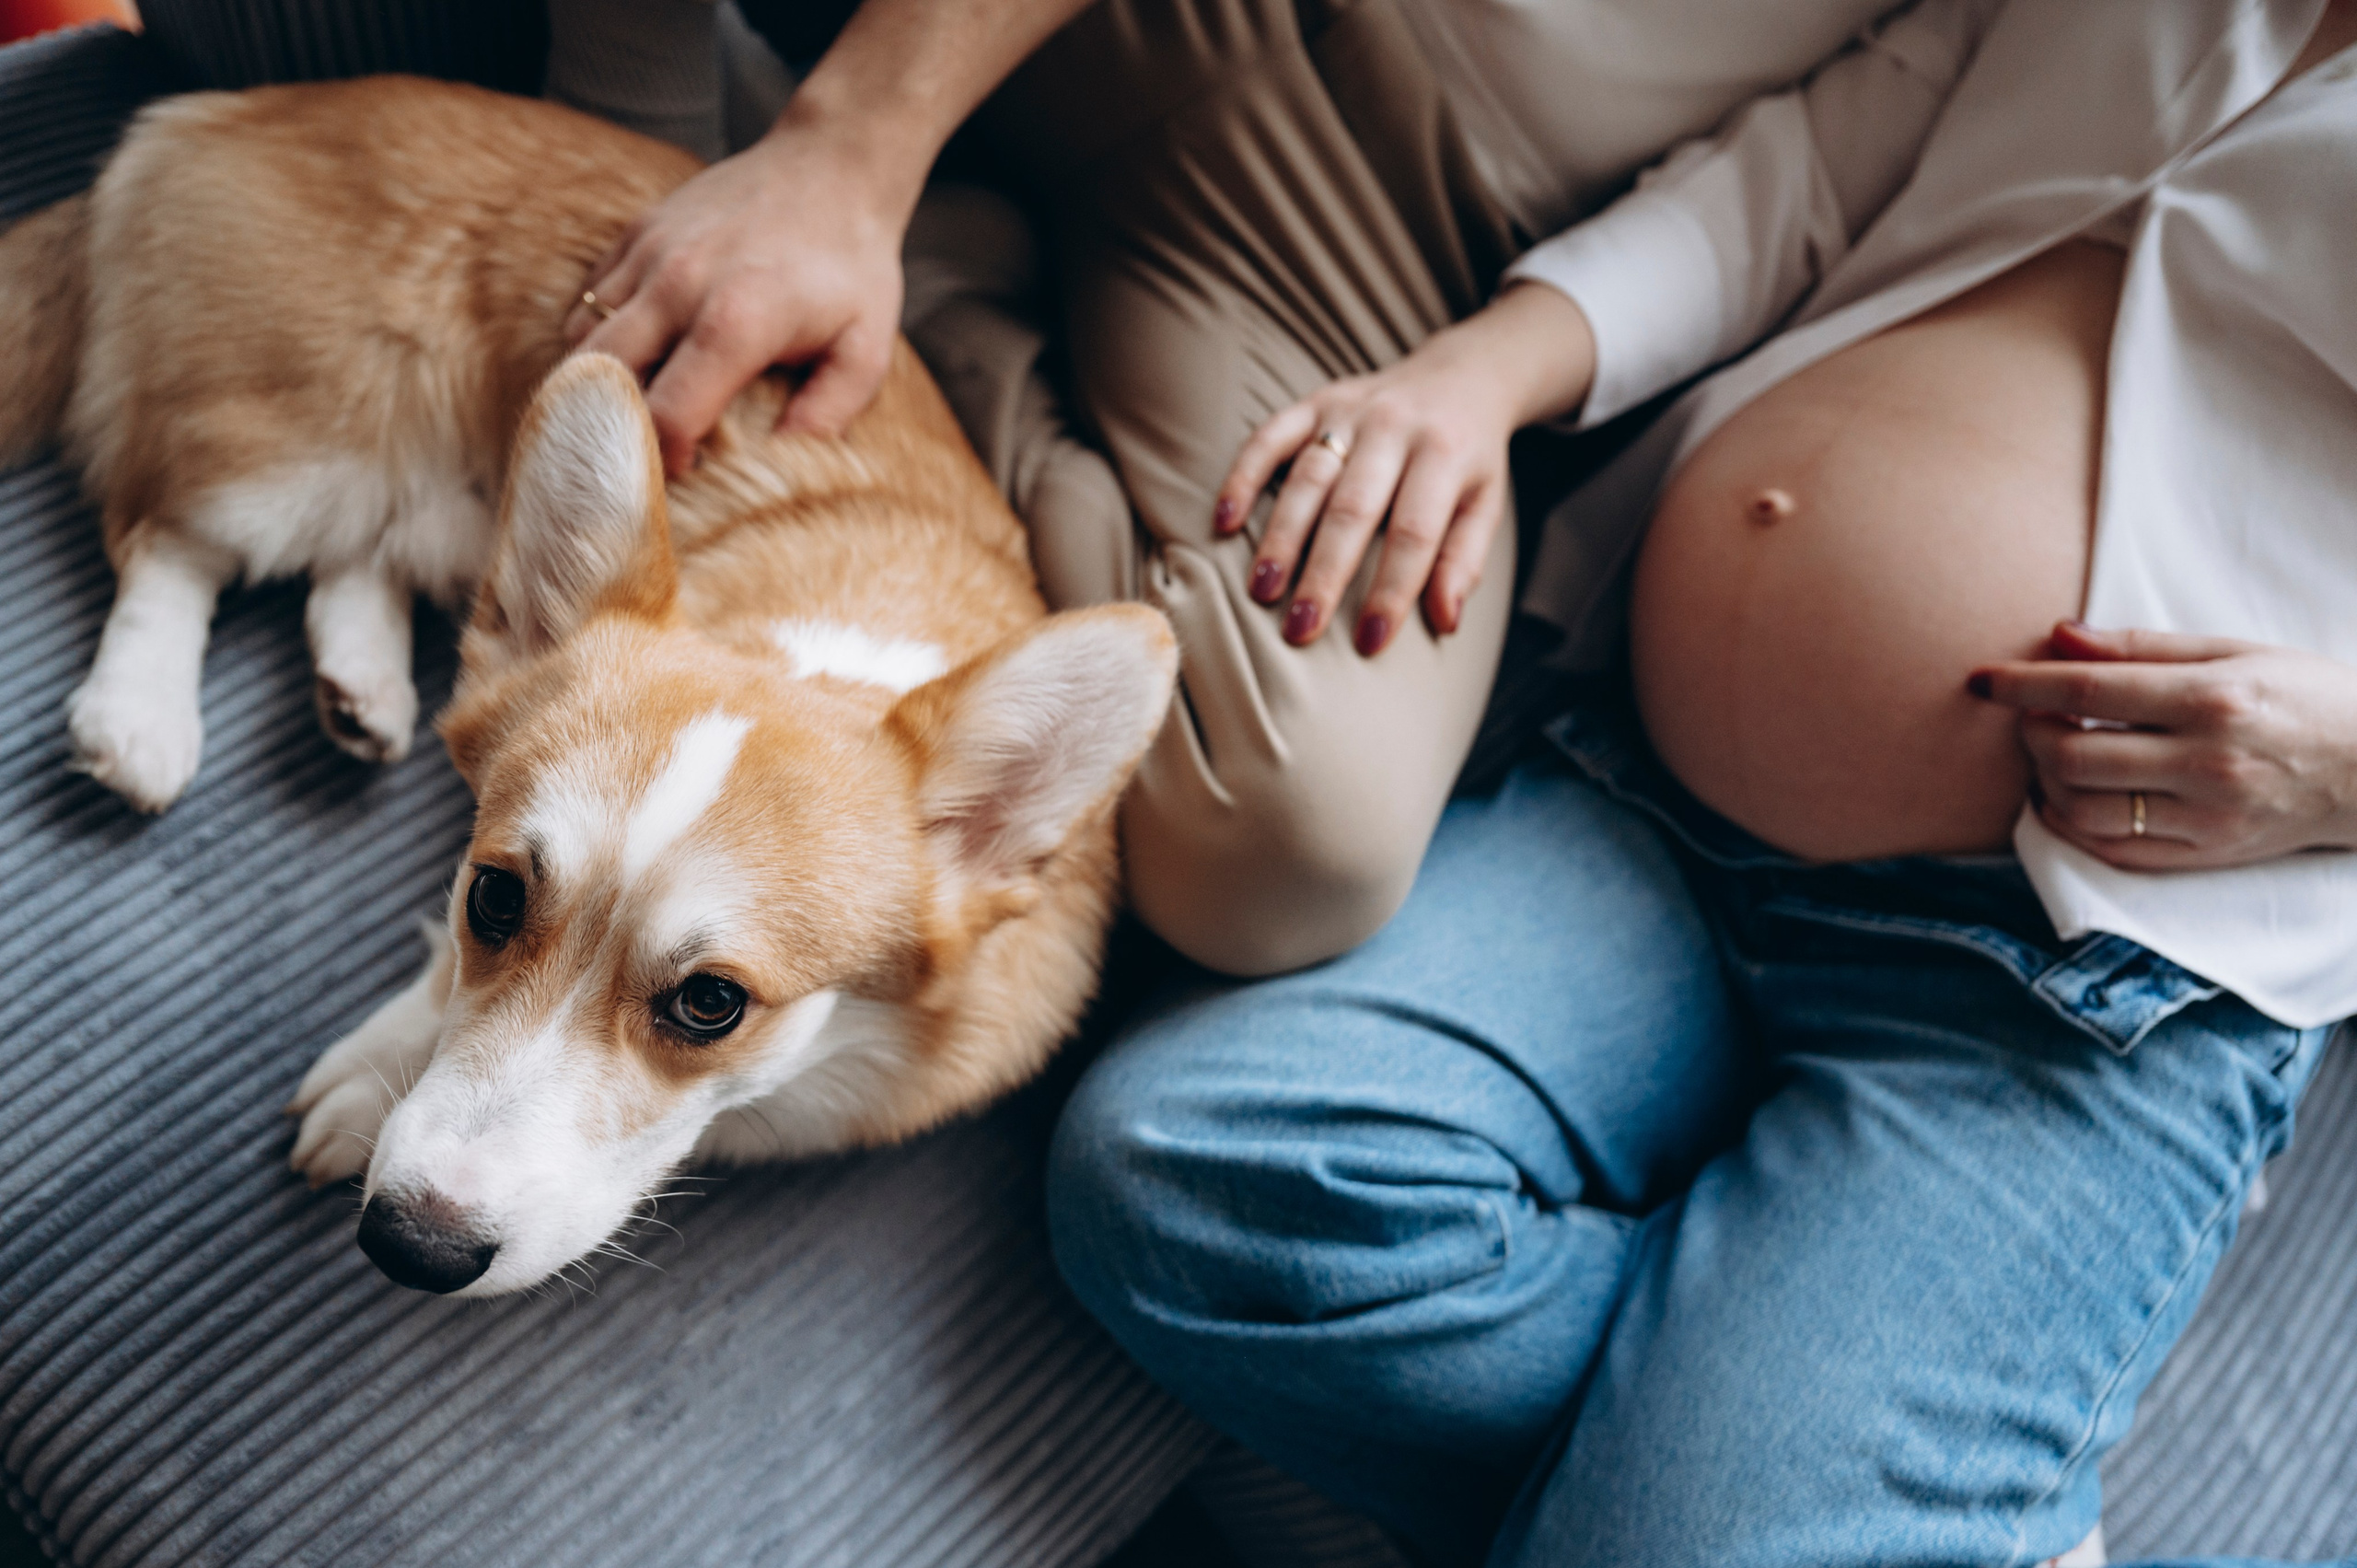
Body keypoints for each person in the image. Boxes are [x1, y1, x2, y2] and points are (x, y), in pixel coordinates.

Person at [1043, 1, 2357, 1565]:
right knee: (1192, 1180)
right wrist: (1477, 378)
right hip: (1651, 815)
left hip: (2079, 983)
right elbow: (1816, 174)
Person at [550, 0, 1903, 976]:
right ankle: (658, 151)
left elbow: (1827, 159)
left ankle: (945, 296)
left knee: (1296, 841)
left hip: (1407, 236)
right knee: (604, 318)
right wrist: (844, 146)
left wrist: (1493, 374)